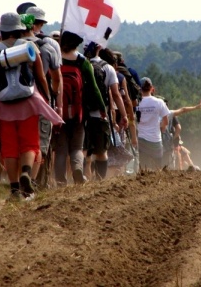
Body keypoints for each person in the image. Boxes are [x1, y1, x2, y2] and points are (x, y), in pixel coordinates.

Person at [0, 12, 62, 201]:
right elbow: (40, 77)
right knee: (30, 143)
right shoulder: (29, 47)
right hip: (27, 102)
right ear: (20, 29)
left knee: (9, 147)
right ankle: (26, 172)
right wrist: (47, 100)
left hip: (3, 104)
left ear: (2, 31)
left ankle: (15, 189)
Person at [53, 31, 106, 186]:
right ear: (77, 45)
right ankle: (77, 170)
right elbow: (94, 88)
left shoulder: (56, 59)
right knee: (77, 147)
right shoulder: (83, 62)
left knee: (61, 149)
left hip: (58, 110)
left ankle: (60, 181)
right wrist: (102, 108)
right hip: (78, 111)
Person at [20, 14, 63, 188]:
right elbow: (56, 78)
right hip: (41, 100)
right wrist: (53, 94)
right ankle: (34, 182)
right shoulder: (48, 47)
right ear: (36, 26)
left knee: (21, 142)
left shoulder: (11, 47)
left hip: (16, 100)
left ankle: (16, 182)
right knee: (40, 143)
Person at [87, 47, 129, 179]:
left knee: (84, 152)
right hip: (101, 116)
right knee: (101, 152)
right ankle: (99, 180)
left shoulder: (82, 63)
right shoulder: (108, 68)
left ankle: (82, 181)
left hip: (83, 115)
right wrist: (124, 115)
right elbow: (116, 95)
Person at [136, 77, 170, 170]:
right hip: (155, 139)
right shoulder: (159, 102)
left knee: (143, 167)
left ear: (140, 88)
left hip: (141, 138)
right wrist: (161, 127)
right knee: (157, 167)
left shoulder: (137, 103)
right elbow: (166, 121)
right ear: (151, 88)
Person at [162, 98, 201, 170]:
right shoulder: (171, 114)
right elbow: (178, 127)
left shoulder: (155, 115)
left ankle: (190, 166)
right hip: (170, 141)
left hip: (158, 142)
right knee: (181, 152)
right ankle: (190, 167)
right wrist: (174, 139)